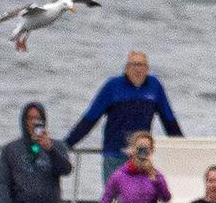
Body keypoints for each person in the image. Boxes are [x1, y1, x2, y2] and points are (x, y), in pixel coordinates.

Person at [64, 51, 183, 183]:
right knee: (114, 199)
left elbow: (169, 119)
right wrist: (67, 144)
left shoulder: (154, 86)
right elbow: (90, 118)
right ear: (126, 68)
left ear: (147, 69)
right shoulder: (113, 86)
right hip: (115, 153)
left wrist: (182, 145)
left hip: (141, 154)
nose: (139, 69)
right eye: (135, 65)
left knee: (139, 199)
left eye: (143, 65)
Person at [97, 131, 172, 203]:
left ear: (151, 151)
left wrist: (156, 179)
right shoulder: (119, 176)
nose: (142, 153)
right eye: (139, 149)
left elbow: (166, 198)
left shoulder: (155, 175)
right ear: (132, 150)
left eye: (146, 149)